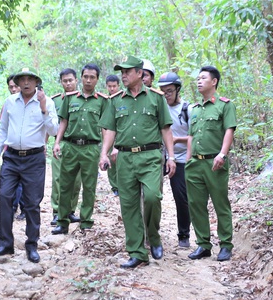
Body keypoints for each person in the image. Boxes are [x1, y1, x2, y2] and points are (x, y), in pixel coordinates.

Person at [99, 56, 176, 269]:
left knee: (152, 197)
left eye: (127, 71)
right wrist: (104, 154)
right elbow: (110, 130)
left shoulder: (156, 98)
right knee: (129, 205)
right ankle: (137, 251)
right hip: (124, 158)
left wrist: (171, 156)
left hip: (150, 156)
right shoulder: (115, 101)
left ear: (140, 74)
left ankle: (153, 235)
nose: (123, 75)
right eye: (121, 72)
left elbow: (165, 129)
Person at [0, 68, 58, 263]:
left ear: (37, 82)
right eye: (22, 79)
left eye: (30, 79)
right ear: (17, 83)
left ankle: (32, 245)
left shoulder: (47, 102)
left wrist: (44, 107)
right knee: (4, 196)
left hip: (34, 158)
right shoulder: (10, 102)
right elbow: (3, 128)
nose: (26, 83)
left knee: (32, 203)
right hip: (11, 157)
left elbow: (53, 130)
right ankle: (5, 244)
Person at [185, 65, 237, 262]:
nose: (199, 81)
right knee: (196, 205)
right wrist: (188, 159)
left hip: (214, 163)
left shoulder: (225, 105)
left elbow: (229, 131)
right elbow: (190, 136)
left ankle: (225, 245)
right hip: (195, 165)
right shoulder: (195, 109)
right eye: (197, 78)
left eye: (203, 78)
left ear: (214, 82)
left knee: (220, 203)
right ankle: (203, 244)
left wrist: (222, 154)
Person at [52, 64, 108, 234]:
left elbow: (105, 128)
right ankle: (62, 221)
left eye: (92, 77)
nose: (89, 80)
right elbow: (64, 122)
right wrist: (57, 143)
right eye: (86, 77)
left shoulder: (102, 101)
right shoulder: (70, 98)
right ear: (81, 78)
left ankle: (86, 222)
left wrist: (104, 153)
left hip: (91, 148)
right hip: (70, 146)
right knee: (65, 185)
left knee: (89, 187)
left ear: (97, 79)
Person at [157, 72, 192, 248]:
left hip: (180, 158)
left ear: (178, 90)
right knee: (152, 195)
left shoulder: (187, 109)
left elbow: (195, 136)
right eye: (162, 91)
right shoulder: (157, 107)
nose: (166, 95)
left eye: (169, 91)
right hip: (158, 156)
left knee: (181, 197)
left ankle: (184, 234)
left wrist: (178, 140)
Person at [50, 69, 82, 226]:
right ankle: (57, 212)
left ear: (76, 80)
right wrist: (45, 143)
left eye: (70, 80)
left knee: (76, 181)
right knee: (58, 179)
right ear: (61, 82)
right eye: (65, 81)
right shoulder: (55, 101)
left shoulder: (85, 99)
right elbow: (47, 124)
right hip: (61, 143)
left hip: (79, 145)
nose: (68, 83)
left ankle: (70, 211)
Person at [6, 74, 25, 220]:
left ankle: (24, 208)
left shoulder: (38, 102)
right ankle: (12, 207)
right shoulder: (9, 103)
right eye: (10, 87)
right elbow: (4, 127)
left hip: (30, 151)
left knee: (25, 182)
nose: (13, 89)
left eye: (15, 86)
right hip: (11, 149)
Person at [105, 74, 121, 196]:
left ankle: (122, 184)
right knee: (110, 160)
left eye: (114, 86)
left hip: (121, 135)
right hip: (107, 135)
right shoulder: (105, 101)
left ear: (118, 86)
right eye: (109, 86)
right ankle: (114, 186)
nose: (112, 89)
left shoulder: (122, 98)